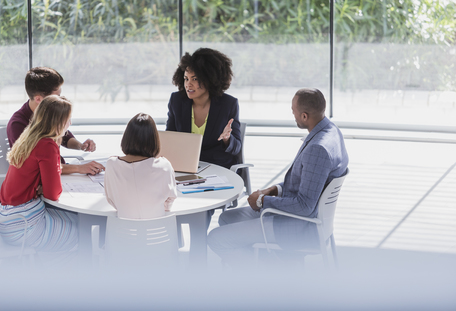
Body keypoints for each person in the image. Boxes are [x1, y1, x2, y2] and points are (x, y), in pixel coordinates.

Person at [207, 88, 349, 267]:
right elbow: (306, 182)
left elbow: (304, 206)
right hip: (303, 218)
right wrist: (274, 190)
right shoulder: (331, 131)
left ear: (304, 116)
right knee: (226, 219)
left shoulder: (318, 149)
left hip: (298, 226)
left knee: (215, 239)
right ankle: (273, 262)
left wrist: (262, 201)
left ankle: (267, 272)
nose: (293, 114)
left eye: (294, 111)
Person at [0, 95, 78, 251]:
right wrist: (47, 185)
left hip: (6, 217)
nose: (70, 123)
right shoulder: (47, 145)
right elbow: (53, 194)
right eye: (69, 119)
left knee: (75, 219)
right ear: (60, 122)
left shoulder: (29, 136)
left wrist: (42, 185)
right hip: (22, 225)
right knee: (79, 231)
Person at [7, 67, 104, 175]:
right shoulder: (18, 125)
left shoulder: (47, 113)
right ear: (38, 99)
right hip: (41, 181)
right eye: (56, 96)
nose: (60, 99)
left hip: (58, 171)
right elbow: (38, 167)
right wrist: (79, 168)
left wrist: (81, 146)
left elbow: (65, 137)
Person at [166, 47, 242, 169]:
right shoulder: (177, 101)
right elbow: (169, 138)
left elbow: (236, 147)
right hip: (185, 166)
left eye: (195, 79)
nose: (188, 84)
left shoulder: (228, 104)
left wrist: (227, 138)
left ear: (210, 79)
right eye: (186, 78)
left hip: (218, 167)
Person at [104, 113, 177, 220]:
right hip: (159, 233)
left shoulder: (112, 164)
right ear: (154, 139)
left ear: (127, 137)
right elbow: (169, 202)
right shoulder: (164, 165)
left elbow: (111, 199)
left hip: (122, 233)